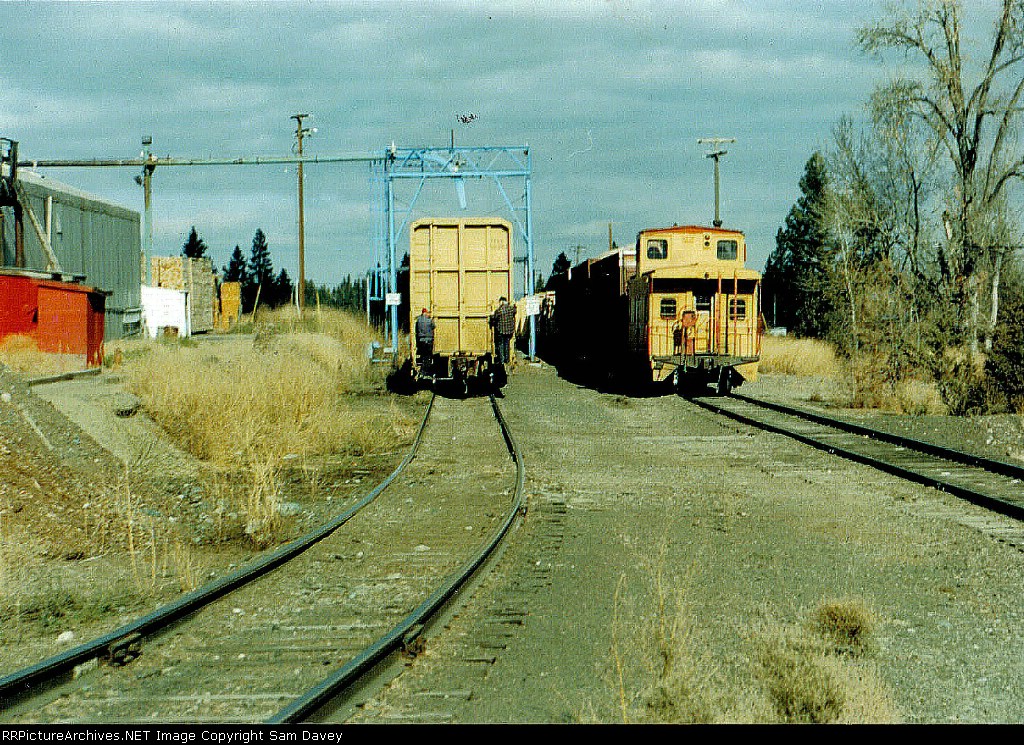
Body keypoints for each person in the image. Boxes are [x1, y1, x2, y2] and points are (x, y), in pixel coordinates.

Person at [490, 296, 516, 366]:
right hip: (509, 331)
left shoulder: (499, 310)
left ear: (501, 302)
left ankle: (502, 360)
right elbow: (515, 311)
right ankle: (507, 360)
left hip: (501, 331)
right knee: (507, 344)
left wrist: (492, 314)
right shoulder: (511, 308)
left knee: (501, 345)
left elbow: (494, 317)